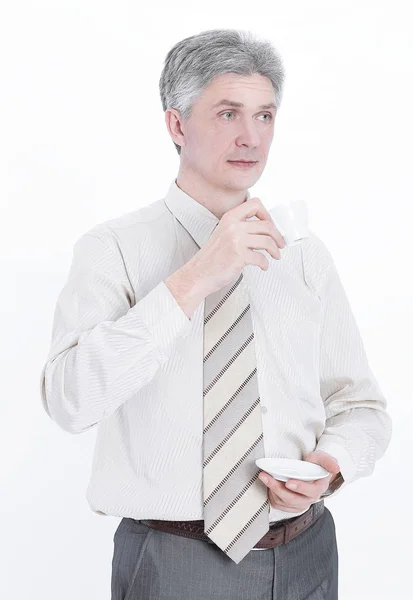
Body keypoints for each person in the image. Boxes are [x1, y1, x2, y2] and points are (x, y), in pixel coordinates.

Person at [40, 28, 392, 600]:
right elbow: (69, 400)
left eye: (265, 115)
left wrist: (330, 465)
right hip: (175, 562)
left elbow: (362, 406)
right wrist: (199, 274)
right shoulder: (114, 249)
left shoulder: (301, 254)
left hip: (308, 554)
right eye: (228, 113)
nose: (251, 136)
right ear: (177, 125)